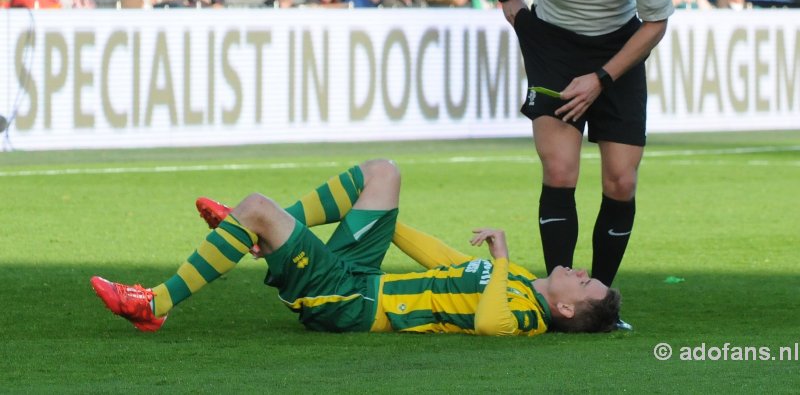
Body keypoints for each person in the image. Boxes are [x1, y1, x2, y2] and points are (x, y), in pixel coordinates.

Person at [90, 160, 621, 335]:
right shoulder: (525, 280)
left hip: (351, 303)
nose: (577, 270)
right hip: (363, 274)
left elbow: (486, 325)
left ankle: (155, 304)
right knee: (382, 174)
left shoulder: (525, 317)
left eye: (582, 281)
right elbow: (445, 261)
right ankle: (255, 229)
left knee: (255, 203)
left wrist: (501, 263)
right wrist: (381, 218)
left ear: (567, 307)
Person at [481, 0, 673, 330]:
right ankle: (555, 300)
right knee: (560, 171)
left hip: (618, 51)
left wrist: (602, 78)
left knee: (621, 181)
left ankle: (598, 304)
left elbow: (656, 24)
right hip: (553, 46)